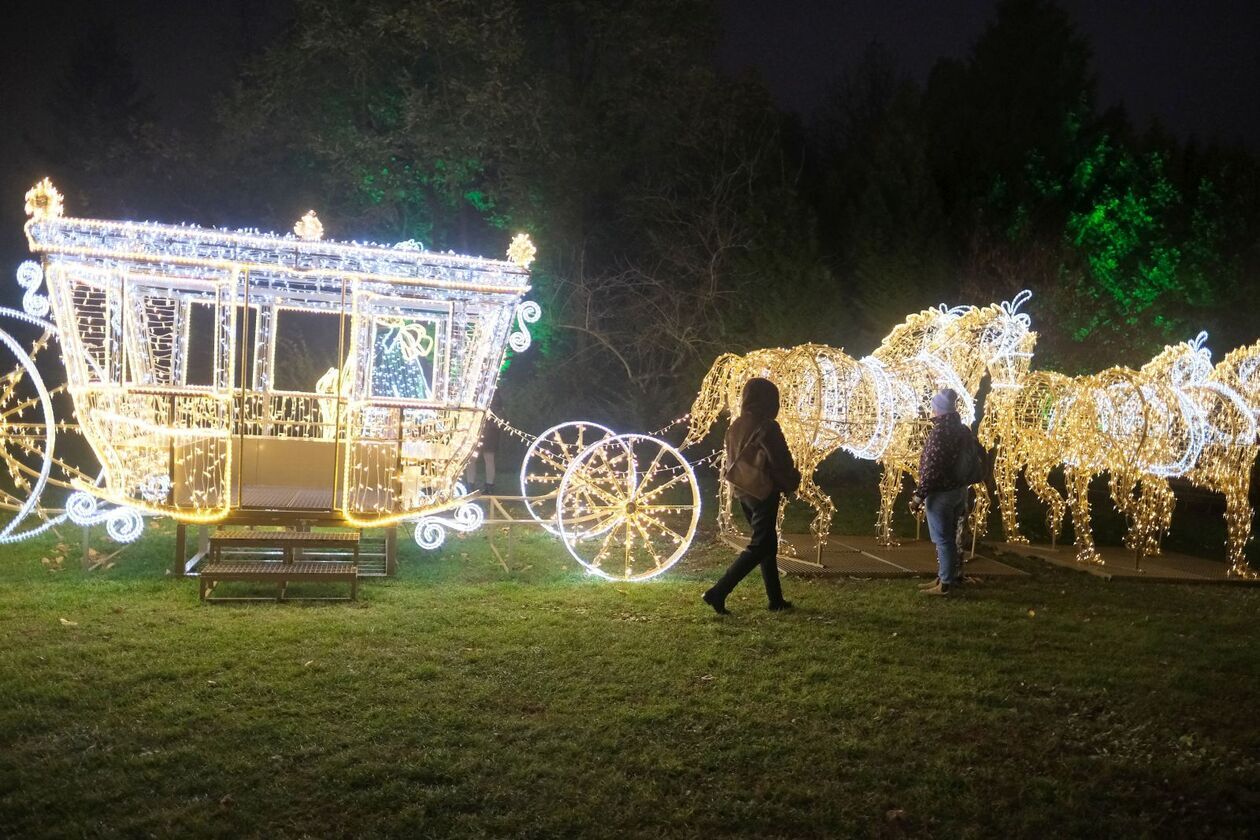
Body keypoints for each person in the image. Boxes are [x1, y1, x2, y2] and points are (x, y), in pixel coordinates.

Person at [703, 378, 801, 615]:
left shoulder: (736, 425)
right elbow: (780, 460)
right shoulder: (767, 426)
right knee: (760, 545)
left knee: (767, 544)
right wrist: (792, 478)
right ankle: (718, 591)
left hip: (743, 489)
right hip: (763, 489)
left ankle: (776, 600)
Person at [910, 388, 975, 596]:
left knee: (943, 539)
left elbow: (932, 468)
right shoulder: (963, 430)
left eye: (934, 407)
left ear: (938, 409)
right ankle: (944, 576)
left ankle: (945, 584)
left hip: (941, 494)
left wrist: (919, 495)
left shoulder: (940, 433)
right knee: (950, 537)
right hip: (959, 491)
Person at [465, 409, 501, 494]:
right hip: (479, 426)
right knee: (472, 458)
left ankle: (486, 487)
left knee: (486, 458)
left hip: (486, 427)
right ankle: (478, 486)